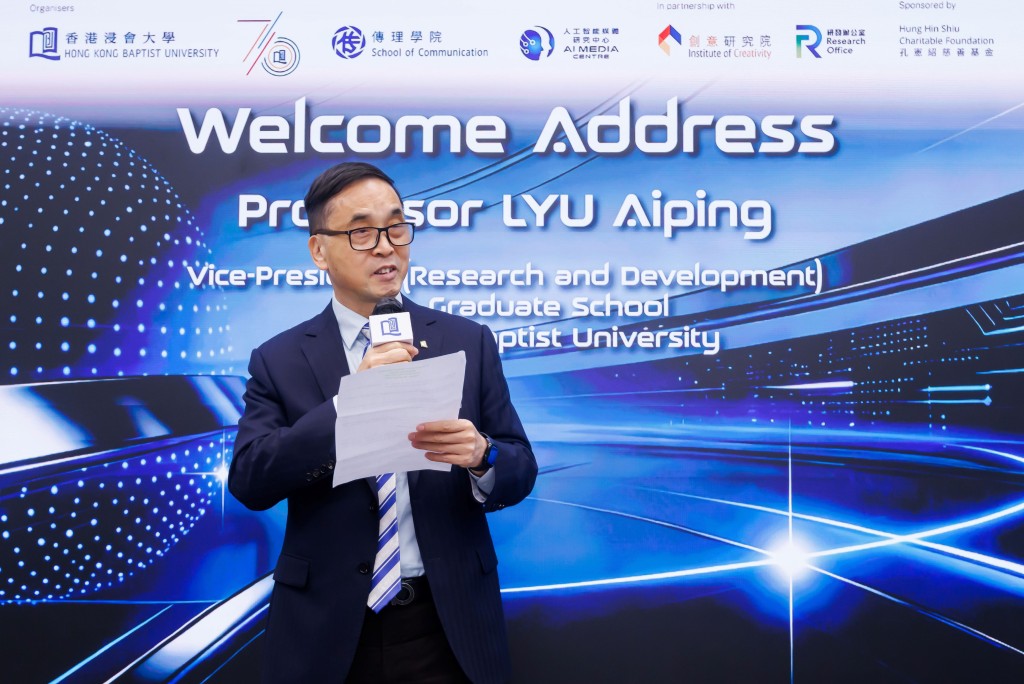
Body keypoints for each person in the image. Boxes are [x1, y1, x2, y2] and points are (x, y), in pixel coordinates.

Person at [229, 162, 537, 683]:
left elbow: (520, 466)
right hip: (328, 631)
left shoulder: (468, 340)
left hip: (447, 624)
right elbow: (251, 480)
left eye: (396, 227)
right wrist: (349, 405)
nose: (386, 247)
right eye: (362, 232)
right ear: (319, 251)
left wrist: (482, 456)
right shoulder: (279, 359)